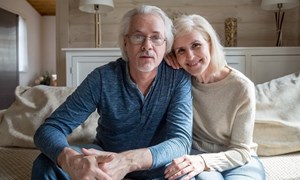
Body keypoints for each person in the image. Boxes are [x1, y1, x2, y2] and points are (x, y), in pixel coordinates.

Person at [31, 5, 193, 180]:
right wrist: (70, 160)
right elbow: (50, 129)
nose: (147, 46)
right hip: (104, 165)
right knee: (45, 163)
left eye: (156, 38)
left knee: (188, 175)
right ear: (125, 42)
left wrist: (127, 161)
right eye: (138, 37)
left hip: (159, 168)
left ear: (166, 44)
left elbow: (181, 142)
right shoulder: (102, 78)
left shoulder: (177, 78)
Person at [164, 14, 266, 180]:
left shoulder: (241, 87)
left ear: (210, 43)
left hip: (237, 158)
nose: (190, 56)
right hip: (193, 155)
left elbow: (241, 150)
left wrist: (203, 161)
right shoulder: (179, 81)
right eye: (180, 50)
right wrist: (163, 59)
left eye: (196, 45)